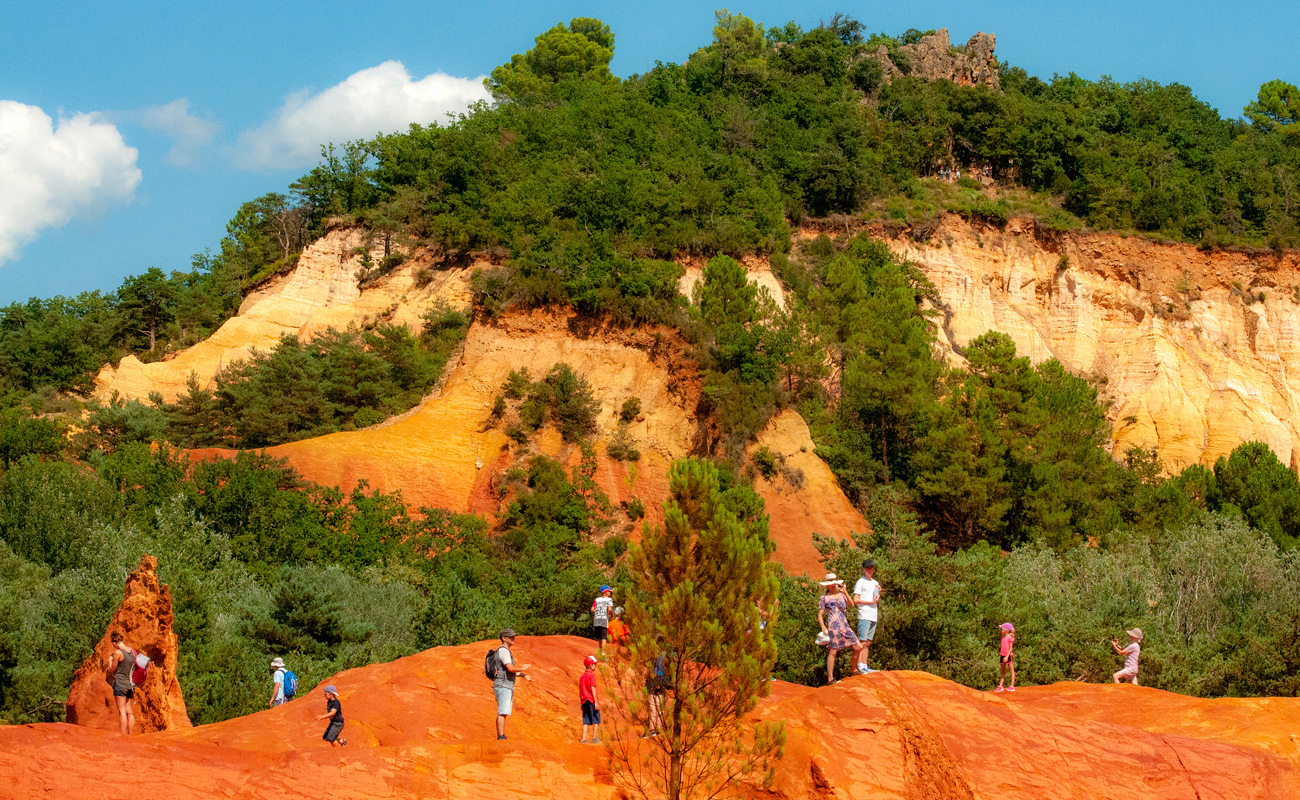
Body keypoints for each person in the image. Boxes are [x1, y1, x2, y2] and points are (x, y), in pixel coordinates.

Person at [817, 573, 863, 684]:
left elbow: (852, 604)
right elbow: (820, 615)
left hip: (844, 625)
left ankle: (854, 670)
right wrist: (823, 627)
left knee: (858, 647)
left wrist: (845, 592)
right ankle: (830, 679)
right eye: (831, 584)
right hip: (833, 627)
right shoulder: (824, 598)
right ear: (827, 586)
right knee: (833, 651)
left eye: (834, 583)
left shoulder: (842, 595)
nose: (833, 586)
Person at [493, 628, 531, 740]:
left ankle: (502, 735)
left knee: (504, 711)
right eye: (510, 636)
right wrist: (522, 668)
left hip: (505, 685)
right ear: (504, 638)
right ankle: (500, 736)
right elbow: (510, 668)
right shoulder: (503, 651)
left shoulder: (504, 651)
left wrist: (524, 676)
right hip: (503, 685)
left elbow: (509, 670)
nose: (513, 638)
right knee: (502, 711)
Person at [104, 631, 137, 735]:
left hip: (120, 684)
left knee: (122, 711)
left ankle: (123, 736)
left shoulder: (118, 653)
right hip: (130, 684)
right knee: (129, 711)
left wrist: (110, 659)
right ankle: (130, 734)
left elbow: (112, 669)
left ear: (114, 643)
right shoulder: (132, 651)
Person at [852, 559, 880, 674]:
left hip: (873, 615)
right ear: (863, 569)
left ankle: (865, 665)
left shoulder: (875, 582)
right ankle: (859, 666)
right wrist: (869, 602)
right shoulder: (861, 582)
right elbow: (855, 599)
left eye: (872, 568)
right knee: (862, 642)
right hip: (864, 614)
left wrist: (879, 593)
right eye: (868, 568)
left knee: (867, 642)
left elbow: (876, 597)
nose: (870, 571)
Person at [579, 654, 601, 744]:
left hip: (584, 701)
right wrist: (596, 702)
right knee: (596, 719)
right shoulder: (591, 675)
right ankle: (594, 738)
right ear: (591, 665)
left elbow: (580, 690)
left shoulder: (582, 677)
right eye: (594, 664)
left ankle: (584, 739)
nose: (595, 666)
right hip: (591, 700)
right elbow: (593, 688)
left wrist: (581, 702)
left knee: (586, 720)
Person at [591, 585, 615, 653]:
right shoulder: (609, 599)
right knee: (604, 637)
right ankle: (603, 653)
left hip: (596, 619)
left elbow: (592, 609)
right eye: (609, 591)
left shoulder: (597, 599)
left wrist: (598, 611)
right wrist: (612, 615)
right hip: (604, 619)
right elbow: (610, 609)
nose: (610, 593)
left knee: (599, 637)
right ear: (606, 592)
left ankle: (600, 650)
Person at [995, 622, 1016, 692]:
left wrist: (1007, 656)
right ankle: (1001, 686)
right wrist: (1003, 655)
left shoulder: (1010, 638)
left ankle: (1012, 686)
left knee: (1011, 671)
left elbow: (1010, 648)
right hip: (1002, 656)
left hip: (1008, 656)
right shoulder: (1002, 638)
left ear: (1006, 630)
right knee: (1003, 671)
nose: (1001, 630)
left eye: (1002, 629)